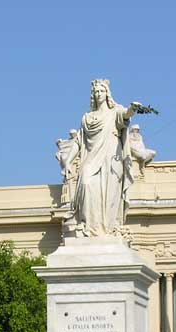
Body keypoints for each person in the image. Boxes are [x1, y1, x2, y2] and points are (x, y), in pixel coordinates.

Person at [63, 79, 141, 237]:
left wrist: (132, 109)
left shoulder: (115, 111)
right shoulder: (87, 118)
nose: (99, 94)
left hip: (111, 158)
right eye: (96, 92)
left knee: (109, 194)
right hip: (91, 158)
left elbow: (125, 115)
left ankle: (109, 228)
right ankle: (88, 227)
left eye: (101, 91)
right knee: (85, 182)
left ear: (107, 93)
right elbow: (79, 141)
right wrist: (67, 161)